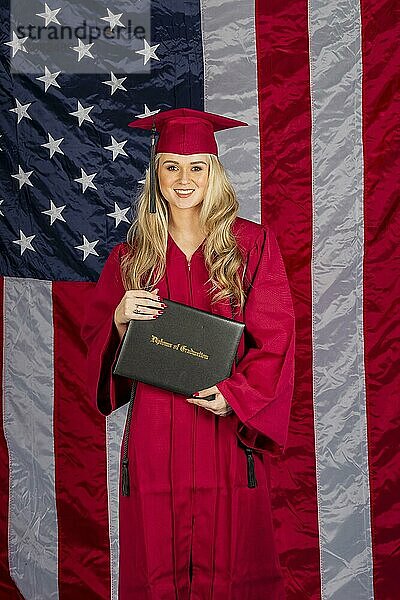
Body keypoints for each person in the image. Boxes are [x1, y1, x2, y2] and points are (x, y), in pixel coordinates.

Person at [81, 108, 295, 599]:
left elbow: (277, 337)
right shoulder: (131, 256)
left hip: (224, 428)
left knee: (234, 566)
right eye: (171, 165)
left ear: (214, 172)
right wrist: (117, 318)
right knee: (156, 565)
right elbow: (94, 356)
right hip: (155, 434)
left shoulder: (252, 245)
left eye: (197, 165)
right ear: (155, 172)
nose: (184, 178)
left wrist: (237, 395)